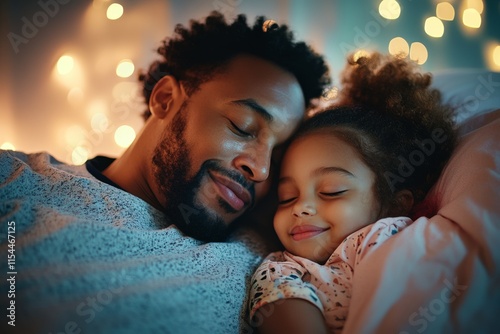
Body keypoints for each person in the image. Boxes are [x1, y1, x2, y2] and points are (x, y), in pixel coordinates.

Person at [0, 11, 329, 333]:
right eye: (242, 127)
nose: (260, 168)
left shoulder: (273, 256)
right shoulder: (14, 179)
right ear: (166, 98)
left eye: (277, 158)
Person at [248, 51, 458, 333]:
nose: (300, 207)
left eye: (331, 191)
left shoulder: (410, 233)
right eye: (287, 197)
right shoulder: (283, 271)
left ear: (394, 204)